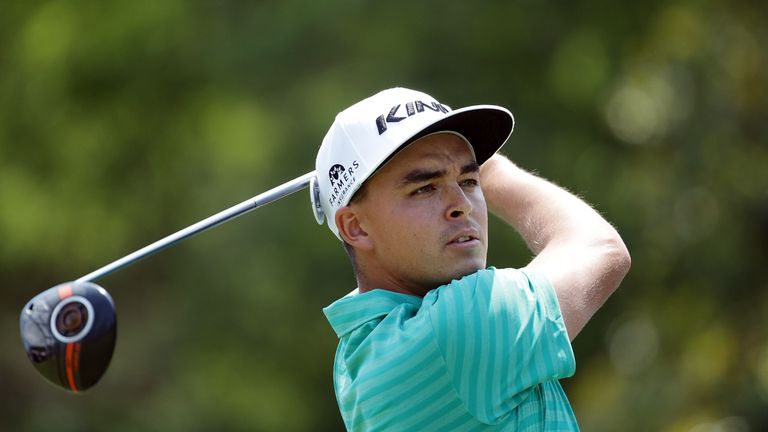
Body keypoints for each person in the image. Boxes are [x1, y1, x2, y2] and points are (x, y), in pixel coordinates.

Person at [312, 87, 631, 431]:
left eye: (469, 179)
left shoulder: (357, 354)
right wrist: (494, 170)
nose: (461, 204)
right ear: (356, 227)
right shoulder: (456, 328)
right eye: (424, 188)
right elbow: (599, 247)